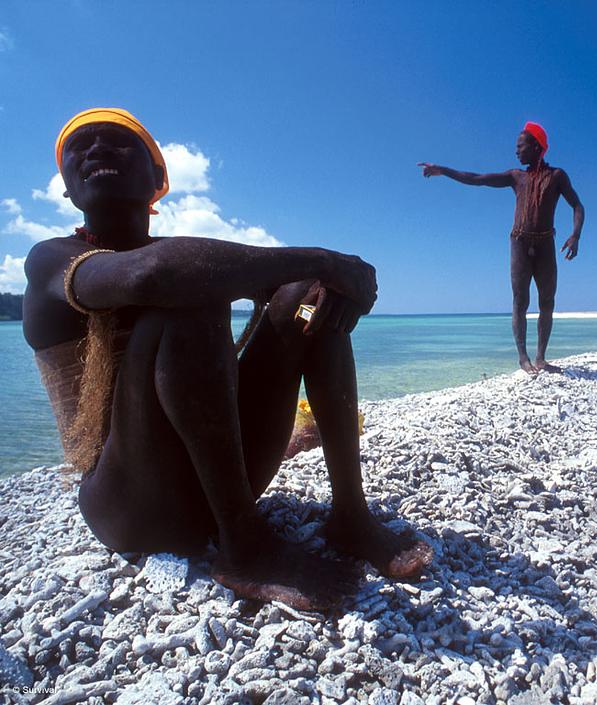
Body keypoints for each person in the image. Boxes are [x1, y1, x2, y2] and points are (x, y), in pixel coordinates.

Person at [23, 108, 432, 610]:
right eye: (79, 147)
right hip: (129, 503)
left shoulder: (181, 256)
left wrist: (326, 281)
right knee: (189, 292)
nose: (97, 150)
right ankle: (244, 545)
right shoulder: (50, 258)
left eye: (116, 141)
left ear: (157, 180)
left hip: (223, 481)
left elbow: (279, 287)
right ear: (66, 186)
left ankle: (349, 513)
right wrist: (328, 259)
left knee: (309, 299)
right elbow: (153, 277)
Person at [419, 122, 584, 375]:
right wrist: (443, 170)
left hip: (545, 244)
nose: (516, 151)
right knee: (520, 301)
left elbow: (577, 206)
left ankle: (541, 358)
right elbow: (476, 179)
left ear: (536, 147)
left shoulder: (557, 176)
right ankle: (523, 358)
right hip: (519, 242)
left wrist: (575, 235)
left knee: (547, 302)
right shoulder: (515, 177)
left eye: (521, 146)